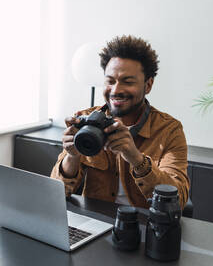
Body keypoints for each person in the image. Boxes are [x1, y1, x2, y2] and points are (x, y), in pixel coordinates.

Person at [51, 35, 189, 209]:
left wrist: (136, 158)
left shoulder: (169, 130)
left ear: (148, 85)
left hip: (144, 226)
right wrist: (72, 156)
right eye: (110, 81)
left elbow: (178, 201)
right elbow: (55, 194)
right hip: (95, 222)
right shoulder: (86, 119)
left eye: (128, 82)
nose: (116, 90)